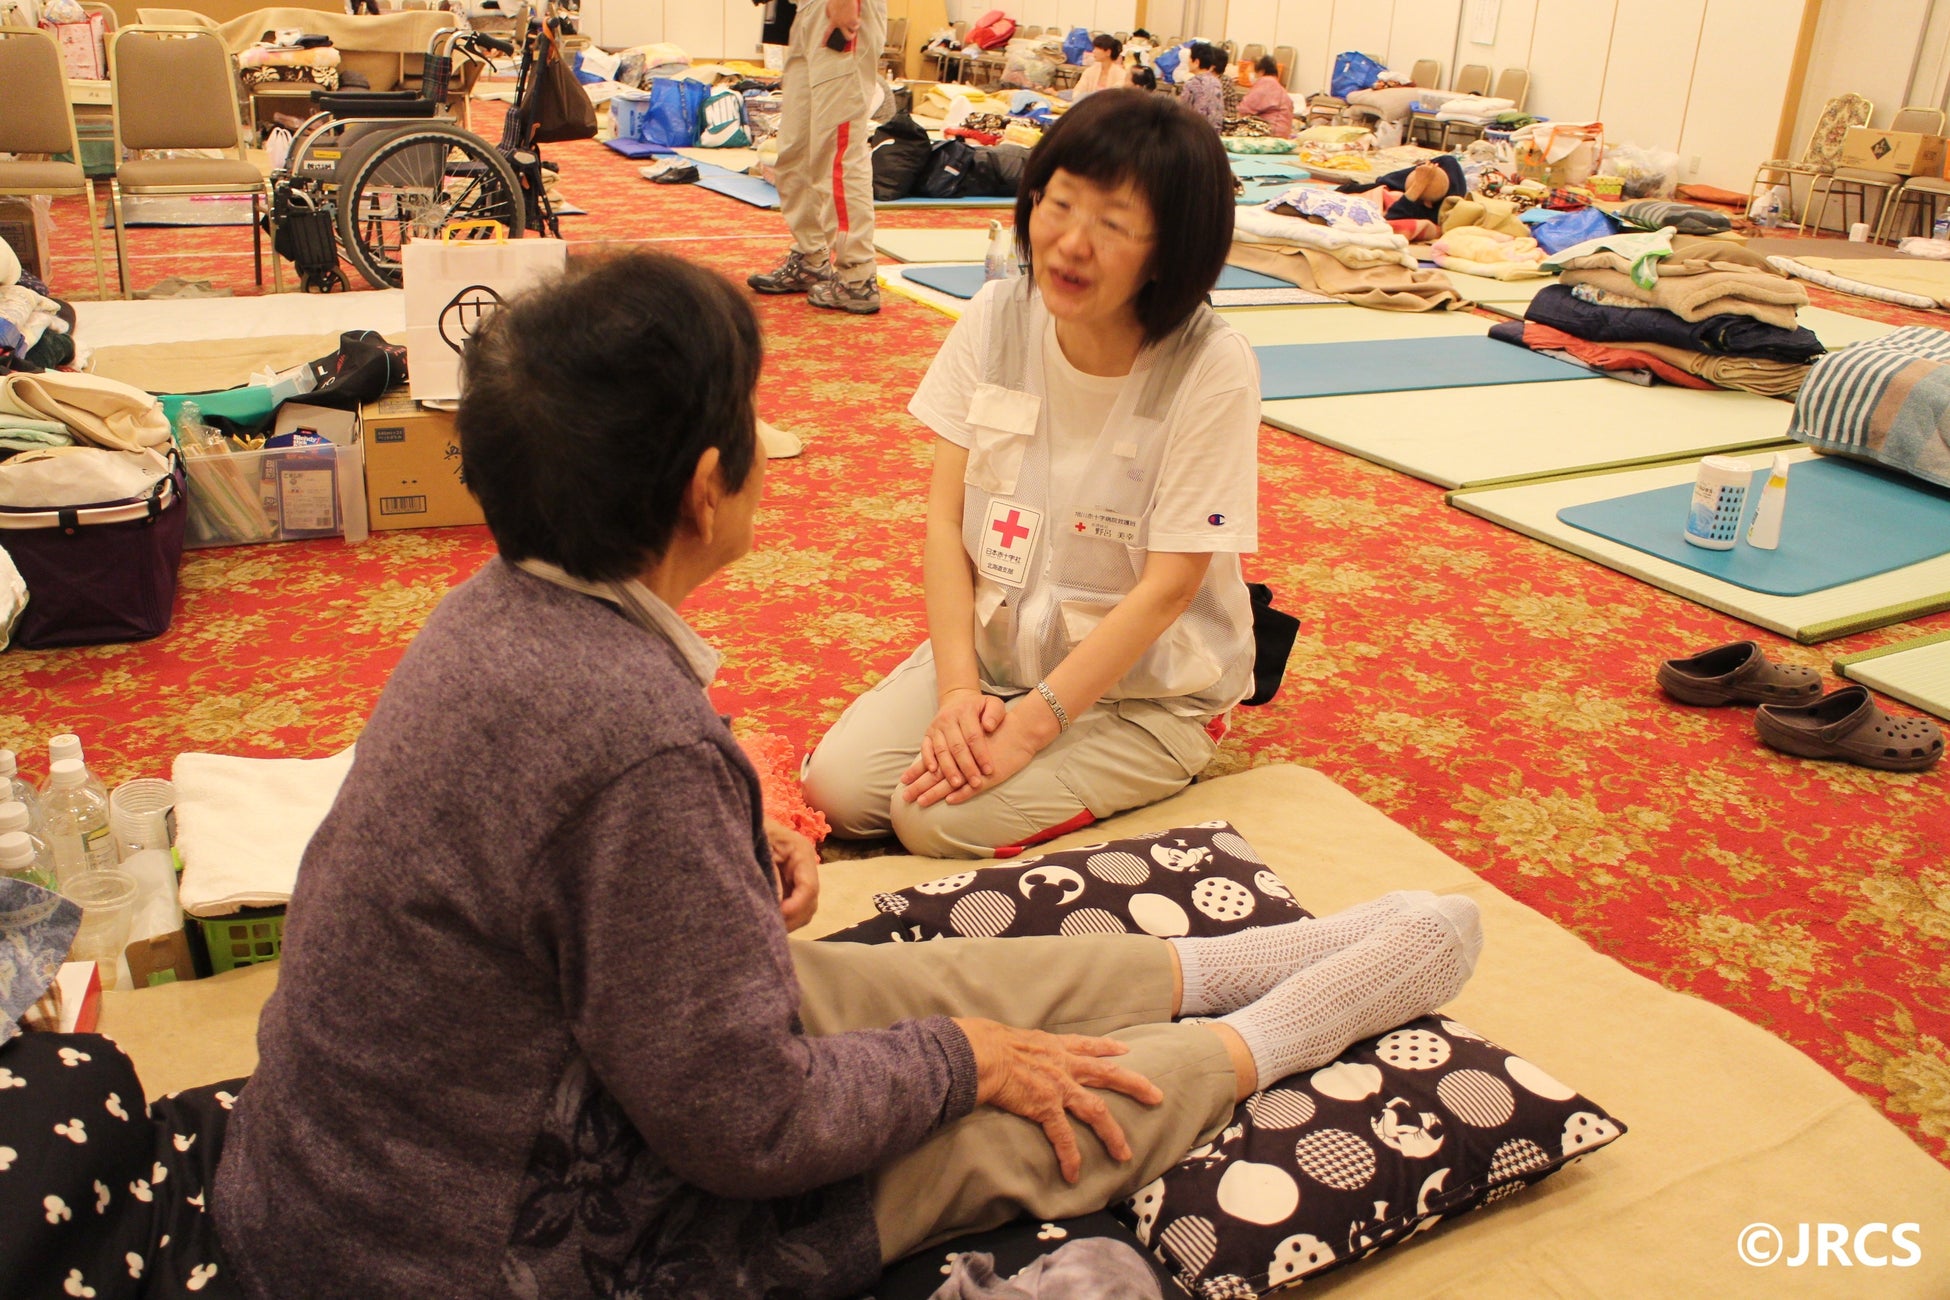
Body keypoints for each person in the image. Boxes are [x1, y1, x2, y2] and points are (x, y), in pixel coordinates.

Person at [208, 248, 1487, 1299]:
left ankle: (1238, 964)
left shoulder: (484, 616)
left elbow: (580, 862)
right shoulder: (637, 745)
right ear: (706, 490)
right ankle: (1276, 1034)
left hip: (376, 1169)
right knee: (987, 1128)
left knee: (851, 986)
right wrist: (963, 1067)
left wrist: (723, 841)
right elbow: (752, 1126)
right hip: (485, 1248)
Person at [802, 89, 1259, 861]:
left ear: (1171, 248)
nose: (1071, 243)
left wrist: (1033, 726)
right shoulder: (996, 317)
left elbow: (1170, 587)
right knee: (836, 793)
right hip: (999, 657)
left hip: (1146, 695)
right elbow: (946, 523)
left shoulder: (1210, 366)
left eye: (1112, 224)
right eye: (1059, 203)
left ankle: (1167, 744)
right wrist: (959, 693)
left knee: (934, 821)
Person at [747, 0, 887, 314]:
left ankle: (857, 277)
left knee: (837, 150)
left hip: (839, 8)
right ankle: (811, 258)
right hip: (805, 12)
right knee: (795, 149)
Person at [1236, 54, 1294, 137]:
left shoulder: (1266, 83)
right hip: (1282, 133)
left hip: (1270, 132)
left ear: (1261, 71)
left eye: (1251, 71)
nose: (1250, 74)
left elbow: (1244, 109)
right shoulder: (1277, 86)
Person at [1180, 41, 1226, 130]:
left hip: (1195, 132)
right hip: (1213, 132)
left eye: (1190, 58)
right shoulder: (1217, 82)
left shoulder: (1191, 84)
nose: (1188, 61)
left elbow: (1183, 111)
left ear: (1196, 62)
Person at [1072, 32, 1129, 98]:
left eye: (1097, 48)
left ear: (1108, 52)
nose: (1093, 51)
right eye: (1094, 48)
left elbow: (1116, 96)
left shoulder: (1121, 74)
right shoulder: (1090, 71)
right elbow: (1078, 90)